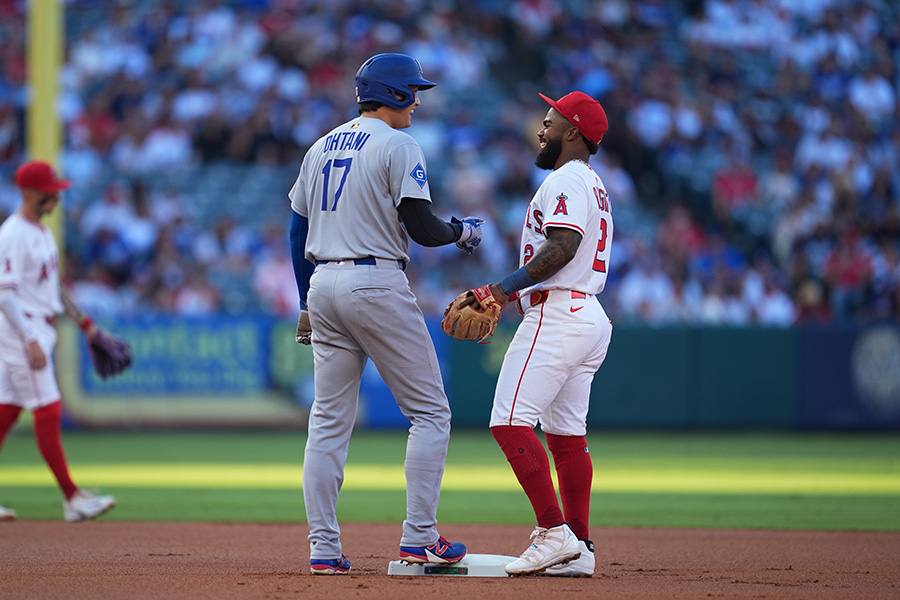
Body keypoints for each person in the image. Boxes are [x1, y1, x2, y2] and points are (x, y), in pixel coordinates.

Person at [288, 53, 482, 575]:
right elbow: (420, 226)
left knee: (327, 424)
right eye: (412, 91)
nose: (418, 101)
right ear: (392, 94)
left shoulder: (320, 145)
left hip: (324, 283)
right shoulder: (399, 143)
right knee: (430, 412)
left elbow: (295, 232)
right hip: (374, 279)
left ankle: (323, 549)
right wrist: (462, 232)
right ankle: (419, 537)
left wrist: (306, 299)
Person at [454, 91, 613, 576]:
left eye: (549, 121)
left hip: (558, 312)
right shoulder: (593, 183)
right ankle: (579, 548)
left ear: (572, 132)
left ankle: (552, 532)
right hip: (588, 316)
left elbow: (563, 246)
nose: (540, 130)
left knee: (508, 421)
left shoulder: (565, 179)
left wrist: (500, 292)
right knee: (568, 436)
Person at [0, 160, 116, 522]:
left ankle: (73, 497)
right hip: (23, 330)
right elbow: (5, 294)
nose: (56, 199)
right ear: (30, 193)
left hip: (38, 325)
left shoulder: (43, 232)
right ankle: (72, 498)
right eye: (51, 193)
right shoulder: (13, 234)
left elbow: (54, 289)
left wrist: (87, 326)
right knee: (48, 410)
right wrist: (29, 340)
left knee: (7, 411)